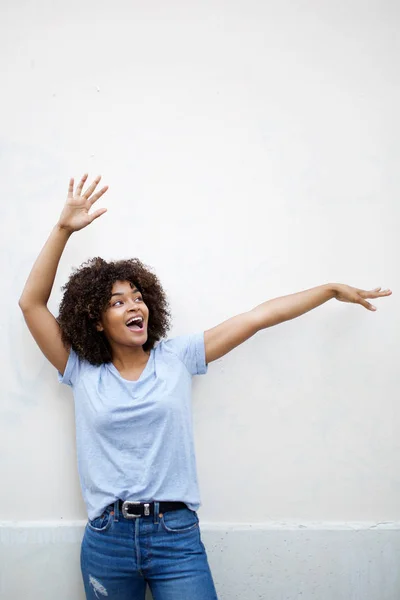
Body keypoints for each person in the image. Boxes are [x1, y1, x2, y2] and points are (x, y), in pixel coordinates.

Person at [18, 174, 392, 600]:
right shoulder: (81, 369)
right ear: (96, 321)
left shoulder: (176, 358)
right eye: (117, 302)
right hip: (108, 539)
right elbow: (31, 303)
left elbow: (257, 317)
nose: (133, 304)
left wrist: (327, 290)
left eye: (137, 296)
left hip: (175, 536)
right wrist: (63, 229)